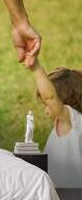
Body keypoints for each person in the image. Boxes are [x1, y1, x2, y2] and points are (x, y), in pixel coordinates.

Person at [25, 56, 82, 188]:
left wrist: (36, 67)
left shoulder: (72, 121)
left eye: (47, 105)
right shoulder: (65, 123)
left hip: (70, 195)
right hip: (57, 193)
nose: (46, 110)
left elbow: (50, 97)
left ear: (65, 101)